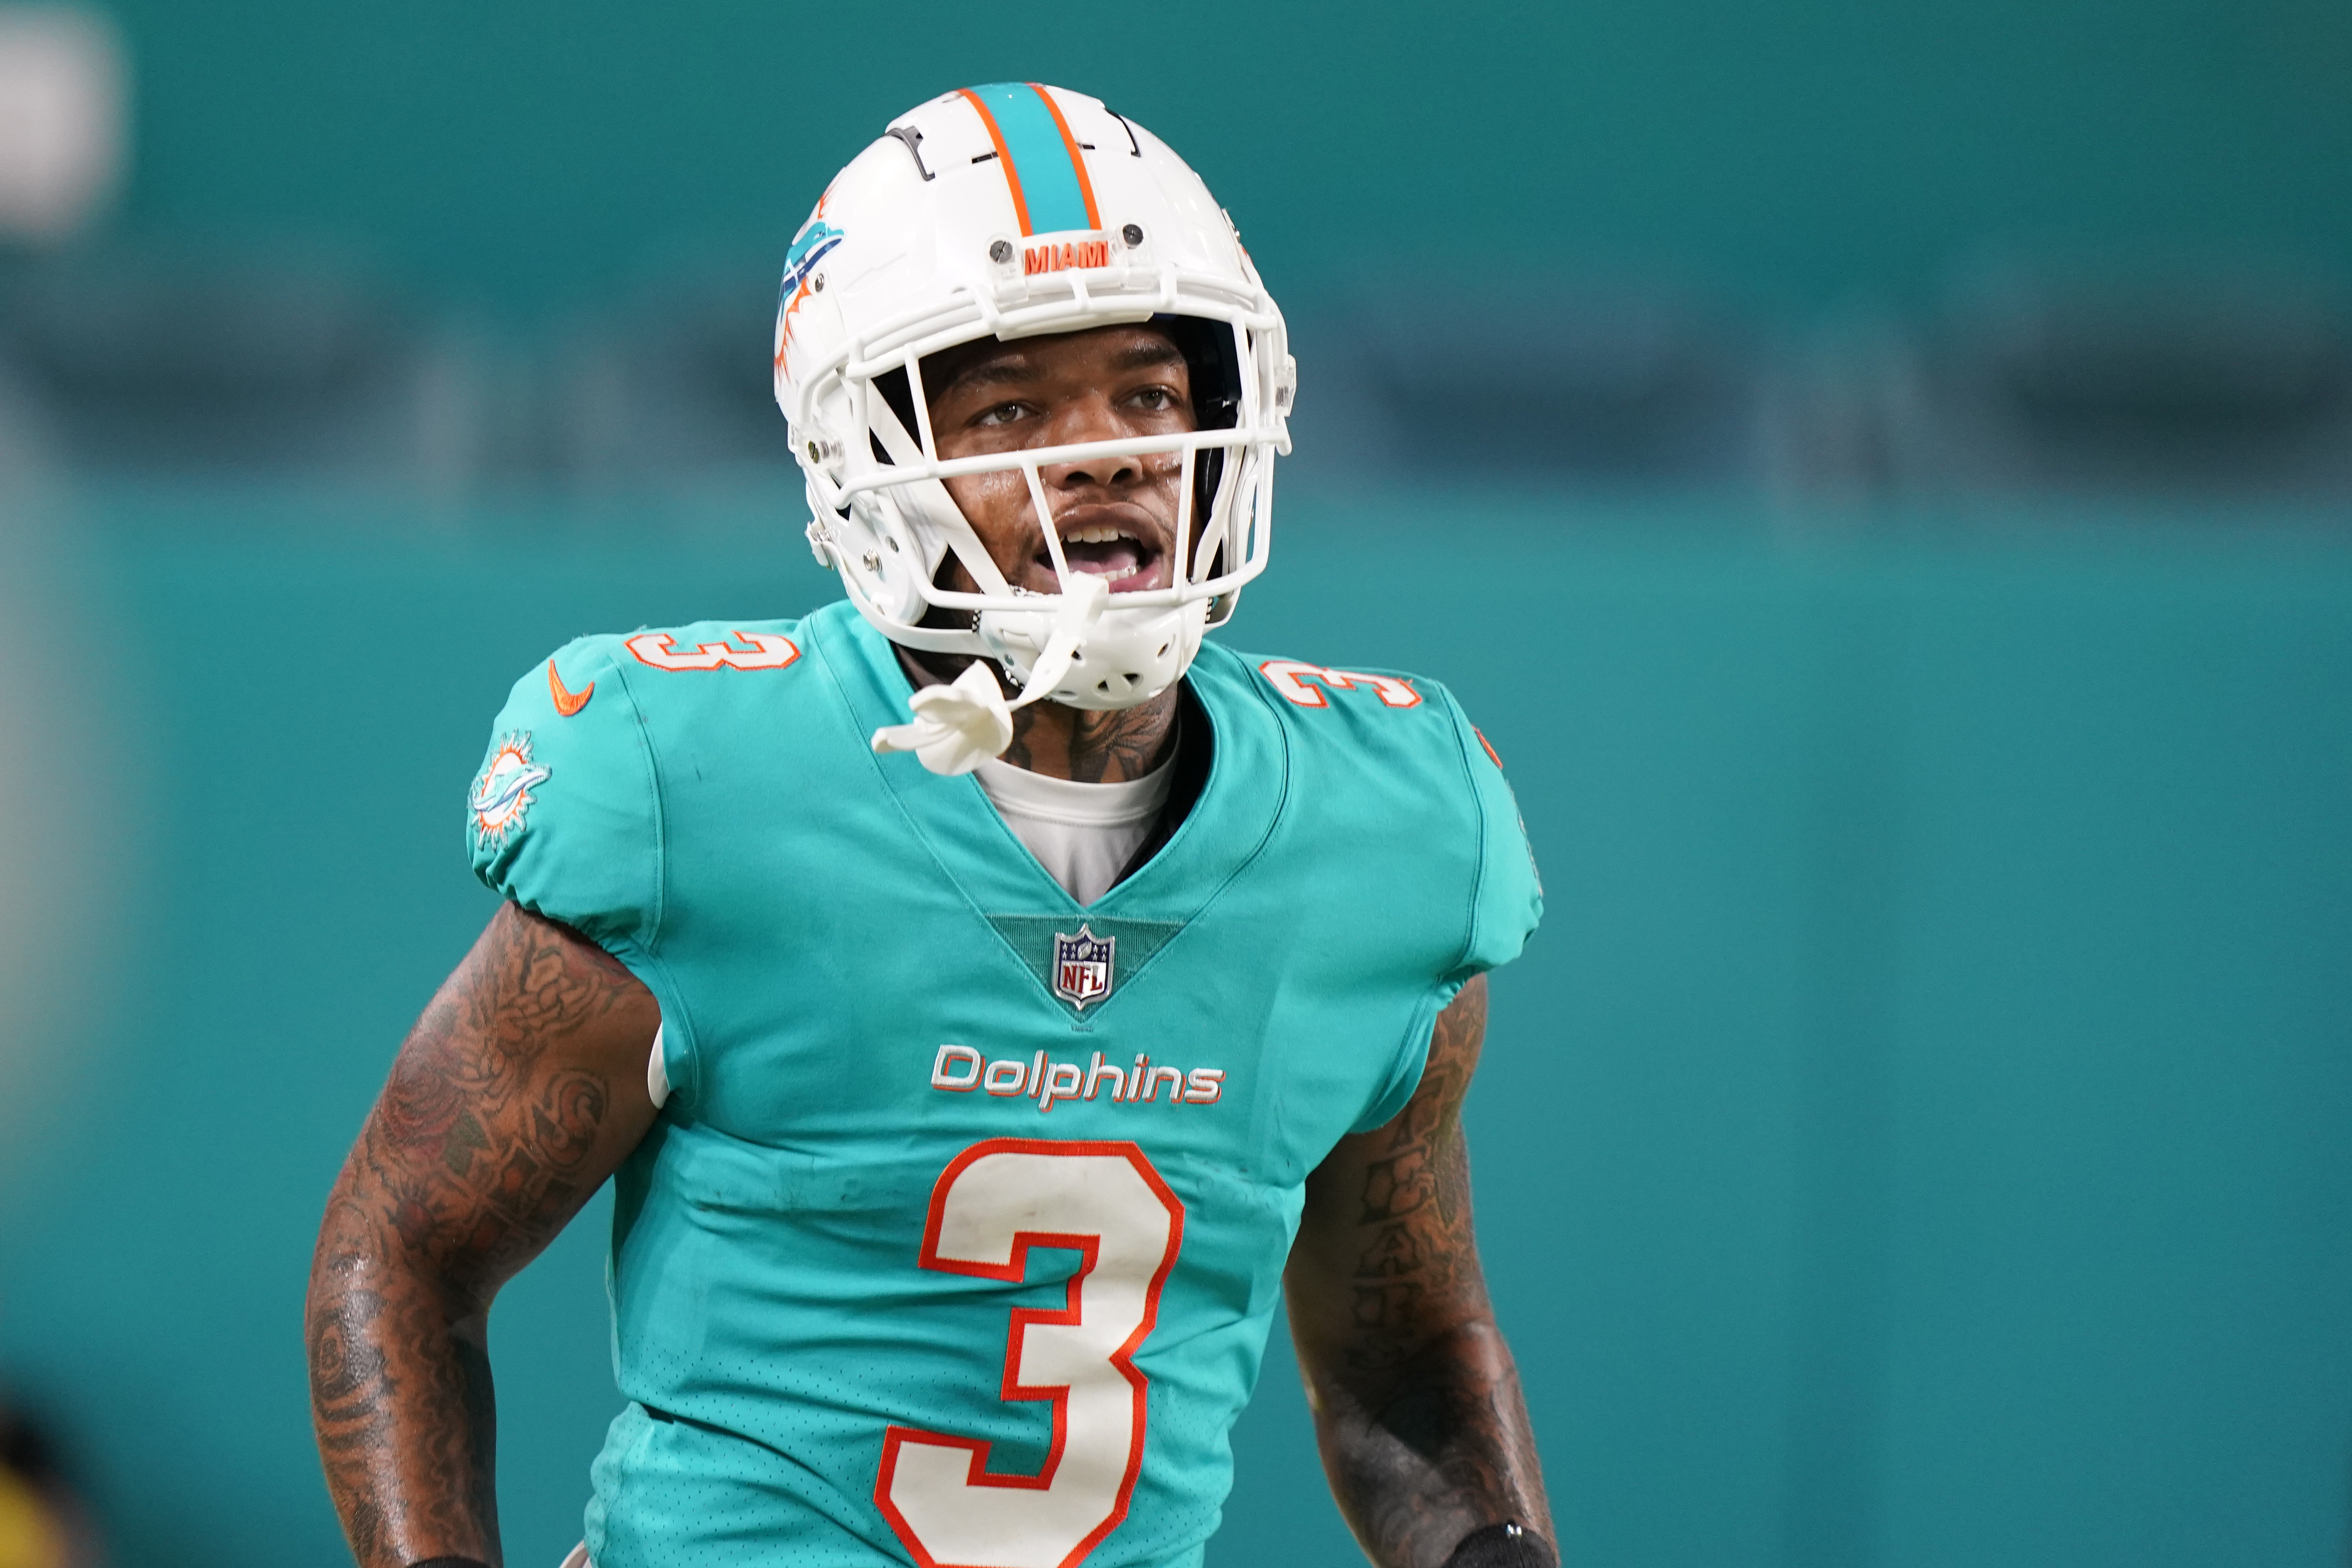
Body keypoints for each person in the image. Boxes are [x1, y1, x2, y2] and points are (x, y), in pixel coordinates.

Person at [306, 82, 1552, 1568]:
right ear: (858, 459)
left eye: (1151, 394)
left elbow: (1404, 1354)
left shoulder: (1382, 833)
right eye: (1016, 406)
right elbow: (403, 1246)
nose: (1105, 452)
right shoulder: (695, 787)